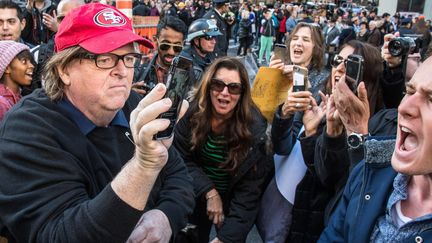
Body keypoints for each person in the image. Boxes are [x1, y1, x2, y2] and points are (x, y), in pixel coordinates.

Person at [0, 3, 194, 242]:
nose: (123, 71)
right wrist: (144, 165)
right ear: (64, 69)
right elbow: (58, 234)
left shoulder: (133, 103)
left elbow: (178, 176)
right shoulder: (26, 129)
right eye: (105, 59)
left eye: (129, 57)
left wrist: (166, 217)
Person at [319, 55, 432, 242]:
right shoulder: (372, 169)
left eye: (431, 98)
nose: (404, 107)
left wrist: (357, 133)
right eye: (409, 91)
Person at [174, 57, 272, 243]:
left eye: (233, 87)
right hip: (194, 193)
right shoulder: (193, 113)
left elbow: (249, 195)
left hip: (233, 201)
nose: (225, 93)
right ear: (208, 87)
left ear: (242, 93)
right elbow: (181, 158)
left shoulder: (256, 131)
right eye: (218, 84)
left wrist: (226, 238)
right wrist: (209, 192)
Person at [256, 22, 330, 242]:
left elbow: (287, 144)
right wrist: (269, 80)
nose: (298, 43)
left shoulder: (321, 84)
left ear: (316, 48)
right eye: (295, 38)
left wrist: (293, 99)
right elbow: (256, 114)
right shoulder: (278, 71)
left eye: (306, 40)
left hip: (291, 174)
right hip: (262, 162)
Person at [132, 16, 187, 95]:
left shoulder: (192, 73)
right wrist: (130, 96)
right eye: (165, 45)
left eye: (177, 47)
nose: (171, 52)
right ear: (155, 41)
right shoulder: (139, 71)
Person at [0, 41, 34, 121]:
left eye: (30, 61)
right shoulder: (1, 104)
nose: (31, 66)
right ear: (7, 68)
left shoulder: (21, 98)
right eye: (24, 61)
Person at [181, 18, 221, 84]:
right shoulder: (185, 62)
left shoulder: (212, 56)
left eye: (215, 37)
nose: (214, 42)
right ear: (196, 41)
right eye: (209, 37)